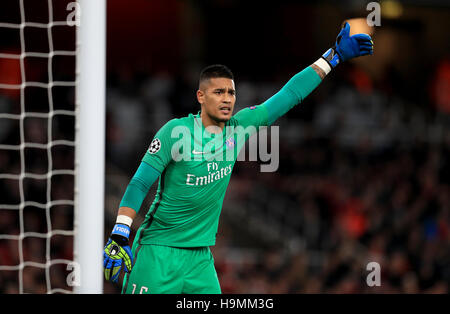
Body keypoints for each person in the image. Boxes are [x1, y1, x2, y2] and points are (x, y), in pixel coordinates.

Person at [103, 22, 374, 294]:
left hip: (200, 259)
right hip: (158, 252)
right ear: (200, 96)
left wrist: (333, 57)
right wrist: (120, 232)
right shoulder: (176, 132)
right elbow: (140, 183)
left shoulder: (239, 127)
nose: (227, 99)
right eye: (218, 92)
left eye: (231, 92)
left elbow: (289, 94)